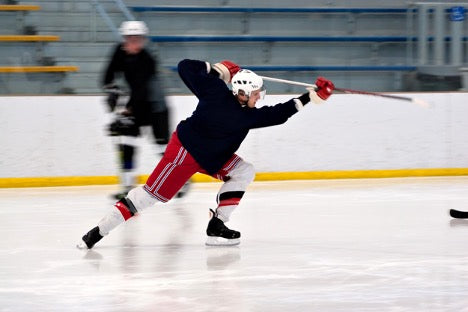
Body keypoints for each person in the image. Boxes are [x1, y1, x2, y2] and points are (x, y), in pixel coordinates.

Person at [78, 58, 334, 249]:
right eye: (256, 93)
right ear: (242, 93)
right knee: (148, 197)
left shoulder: (216, 90)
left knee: (243, 171)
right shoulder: (243, 115)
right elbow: (279, 114)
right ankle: (98, 232)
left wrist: (217, 69)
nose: (260, 97)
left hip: (214, 157)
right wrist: (311, 96)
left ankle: (217, 225)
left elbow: (186, 67)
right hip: (184, 153)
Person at [102, 20, 190, 199]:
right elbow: (107, 74)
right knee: (126, 143)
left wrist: (125, 111)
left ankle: (183, 180)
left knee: (162, 148)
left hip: (156, 108)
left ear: (143, 40)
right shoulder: (119, 52)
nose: (134, 43)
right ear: (124, 39)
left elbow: (141, 90)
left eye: (138, 39)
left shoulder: (147, 60)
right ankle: (127, 186)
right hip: (136, 104)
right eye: (130, 38)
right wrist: (111, 89)